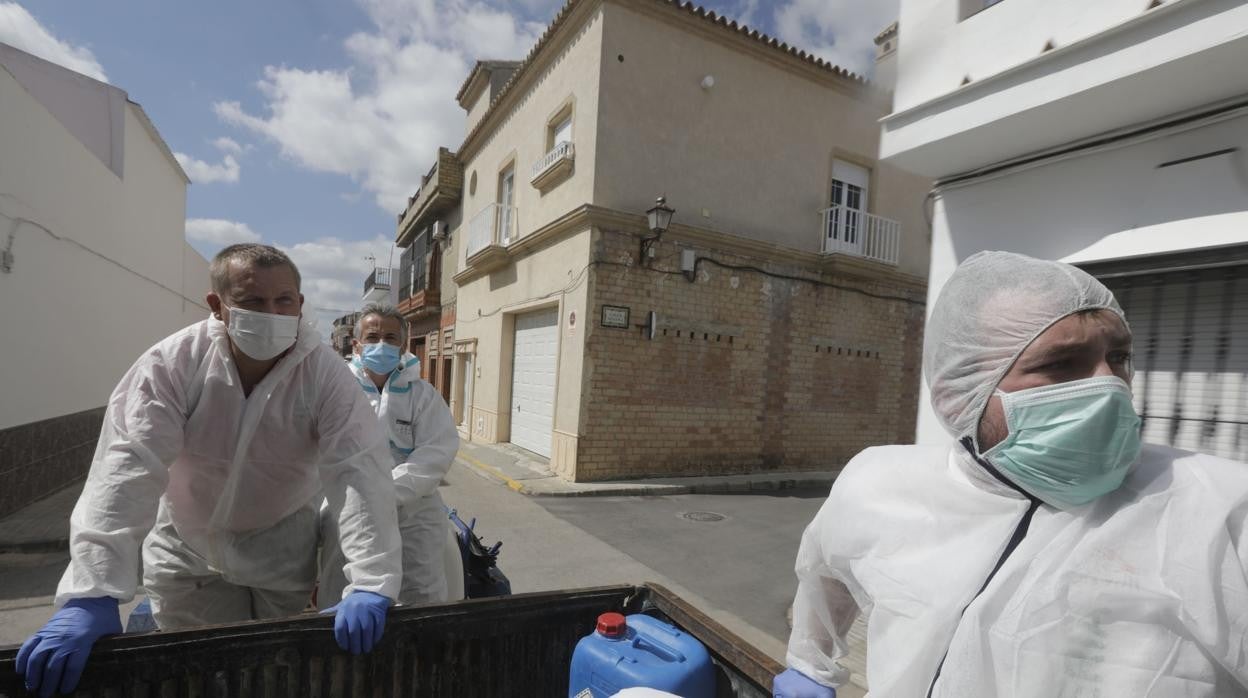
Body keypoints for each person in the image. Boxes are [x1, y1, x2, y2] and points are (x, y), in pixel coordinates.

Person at [776, 251, 1248, 698]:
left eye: (1118, 358)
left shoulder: (1223, 511)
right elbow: (829, 573)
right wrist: (809, 663)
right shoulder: (880, 483)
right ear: (958, 393)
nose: (1108, 386)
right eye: (1061, 365)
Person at [16, 244, 402, 697]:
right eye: (254, 302)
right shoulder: (172, 364)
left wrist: (371, 581)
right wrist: (92, 591)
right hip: (186, 546)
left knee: (274, 668)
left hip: (279, 542)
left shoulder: (324, 375)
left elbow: (358, 471)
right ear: (217, 306)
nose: (273, 313)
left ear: (301, 303)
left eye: (285, 301)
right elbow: (125, 469)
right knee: (197, 672)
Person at [318, 303, 461, 608]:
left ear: (403, 346)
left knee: (421, 593)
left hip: (414, 511)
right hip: (348, 507)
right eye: (372, 337)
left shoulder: (423, 395)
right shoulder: (336, 390)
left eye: (391, 338)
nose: (381, 344)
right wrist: (363, 495)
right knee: (342, 590)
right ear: (357, 345)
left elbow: (435, 455)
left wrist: (383, 490)